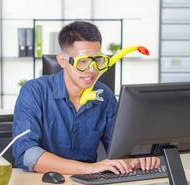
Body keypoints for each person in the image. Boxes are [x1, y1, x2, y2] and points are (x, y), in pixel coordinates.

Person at [12, 21, 160, 174]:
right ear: (63, 60)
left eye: (97, 61)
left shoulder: (104, 96)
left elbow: (119, 149)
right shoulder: (34, 92)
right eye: (83, 61)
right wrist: (90, 168)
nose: (92, 70)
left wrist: (138, 159)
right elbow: (26, 154)